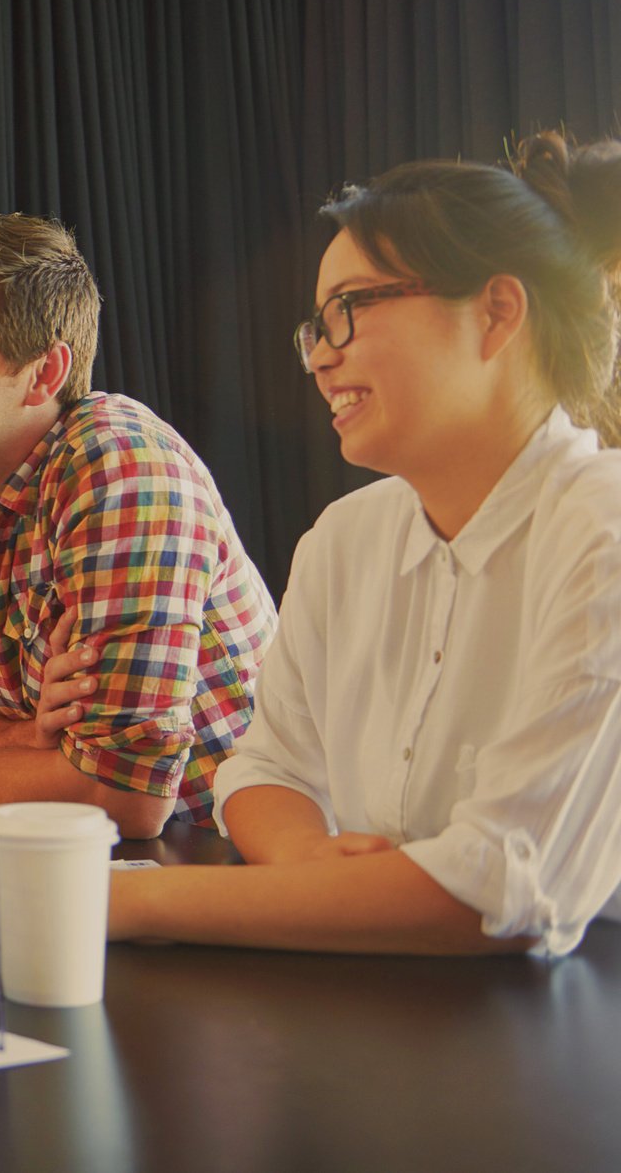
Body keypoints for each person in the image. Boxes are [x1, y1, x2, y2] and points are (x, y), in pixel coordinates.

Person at [109, 135, 621, 954]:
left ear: (496, 312)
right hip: (390, 997)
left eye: (350, 308)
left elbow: (498, 889)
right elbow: (263, 768)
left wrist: (123, 902)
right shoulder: (347, 539)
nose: (319, 355)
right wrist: (312, 860)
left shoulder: (604, 529)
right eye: (314, 325)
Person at [0, 213, 273, 837]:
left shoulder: (123, 470)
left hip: (218, 855)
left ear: (44, 374)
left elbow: (128, 801)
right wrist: (37, 737)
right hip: (40, 846)